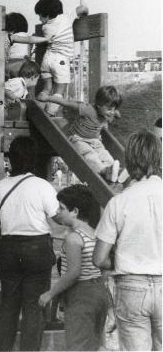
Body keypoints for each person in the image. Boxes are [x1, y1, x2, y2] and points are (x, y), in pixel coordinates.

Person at [93, 130, 162, 351]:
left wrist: (121, 259)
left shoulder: (119, 202)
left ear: (130, 159)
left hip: (132, 284)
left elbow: (99, 258)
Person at [0, 136, 59, 351]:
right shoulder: (43, 186)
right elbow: (57, 217)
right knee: (33, 308)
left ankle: (3, 349)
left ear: (12, 159)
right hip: (37, 248)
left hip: (8, 249)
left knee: (8, 306)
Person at [38, 185, 108, 350]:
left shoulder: (74, 239)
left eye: (61, 208)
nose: (57, 211)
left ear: (75, 211)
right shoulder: (94, 233)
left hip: (81, 295)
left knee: (76, 344)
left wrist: (50, 293)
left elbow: (73, 273)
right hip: (99, 292)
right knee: (92, 345)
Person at [38, 85, 122, 182]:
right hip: (78, 139)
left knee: (104, 154)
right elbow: (67, 103)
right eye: (109, 109)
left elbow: (112, 113)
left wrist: (115, 113)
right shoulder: (88, 109)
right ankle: (103, 170)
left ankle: (112, 170)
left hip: (95, 141)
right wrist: (48, 98)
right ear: (99, 104)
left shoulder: (106, 112)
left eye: (114, 109)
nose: (111, 112)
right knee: (90, 154)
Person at [33, 0, 78, 115]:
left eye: (40, 16)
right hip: (61, 60)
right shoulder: (66, 18)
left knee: (47, 87)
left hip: (47, 59)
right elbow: (79, 10)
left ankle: (39, 109)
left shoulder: (46, 27)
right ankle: (50, 112)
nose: (40, 19)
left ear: (47, 15)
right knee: (60, 89)